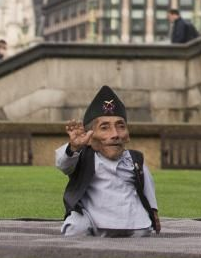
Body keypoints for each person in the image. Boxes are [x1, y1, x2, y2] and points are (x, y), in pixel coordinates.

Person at [55, 85, 160, 237]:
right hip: (92, 215)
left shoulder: (135, 160)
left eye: (121, 127)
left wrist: (153, 212)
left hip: (129, 215)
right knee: (76, 228)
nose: (115, 134)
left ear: (128, 135)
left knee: (142, 232)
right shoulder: (82, 156)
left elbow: (147, 187)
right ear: (89, 136)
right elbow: (63, 165)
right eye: (104, 128)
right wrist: (74, 147)